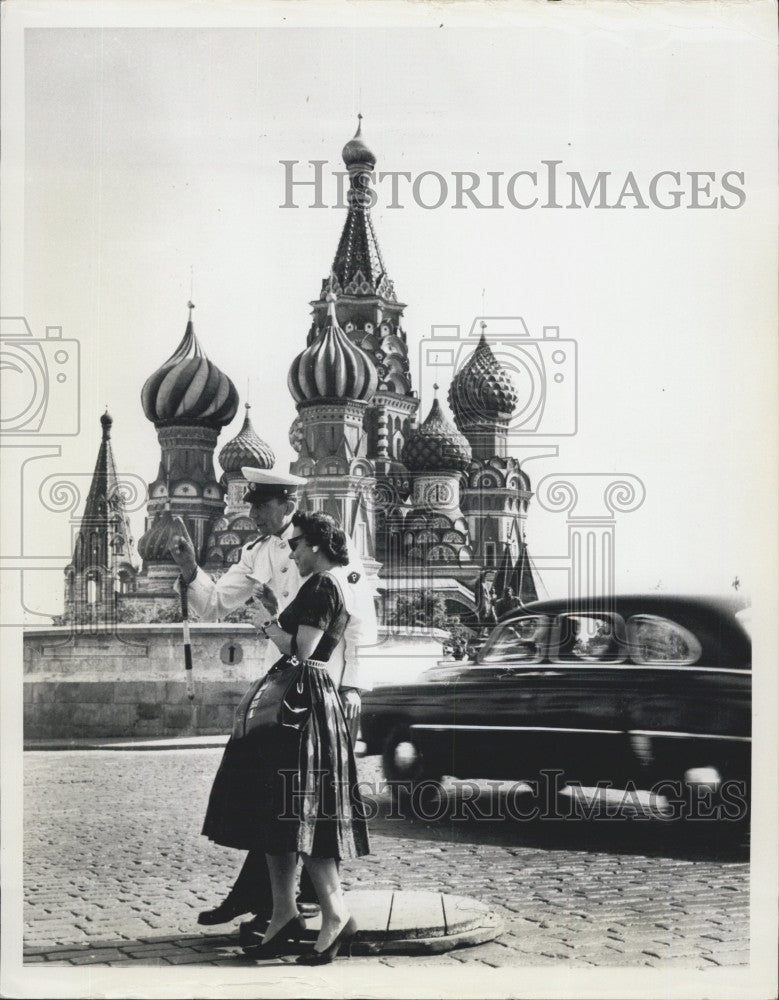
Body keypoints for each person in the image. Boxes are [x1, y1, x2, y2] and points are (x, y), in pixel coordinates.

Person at [168, 468, 376, 937]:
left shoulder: (327, 545)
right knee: (276, 795)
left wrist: (353, 687)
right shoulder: (256, 552)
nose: (252, 513)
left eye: (260, 505)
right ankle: (274, 905)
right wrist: (189, 570)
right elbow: (215, 603)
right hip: (281, 688)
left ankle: (283, 905)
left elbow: (359, 624)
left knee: (308, 798)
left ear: (286, 503)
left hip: (327, 686)